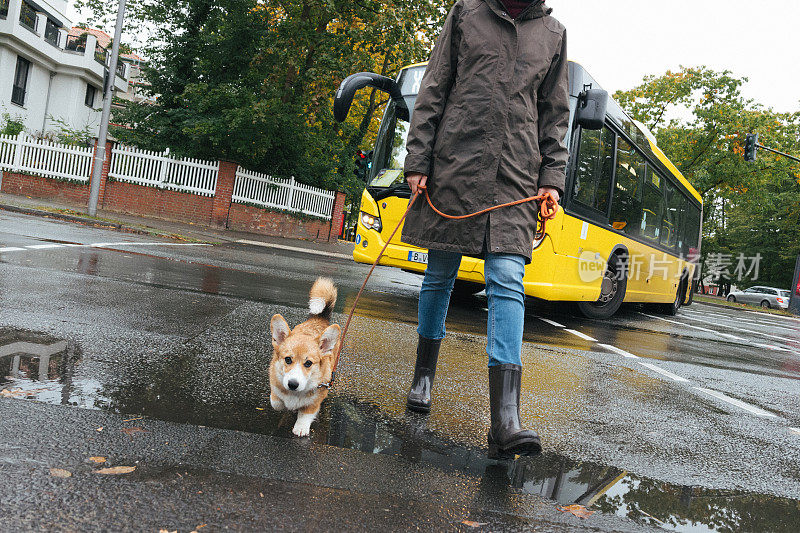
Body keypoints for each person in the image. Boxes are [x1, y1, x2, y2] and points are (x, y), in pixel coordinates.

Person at [401, 0, 569, 459]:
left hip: (516, 175)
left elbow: (554, 115)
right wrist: (418, 160)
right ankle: (423, 376)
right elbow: (434, 87)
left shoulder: (553, 32)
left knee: (508, 279)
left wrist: (552, 178)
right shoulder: (466, 13)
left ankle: (505, 418)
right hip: (456, 163)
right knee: (440, 274)